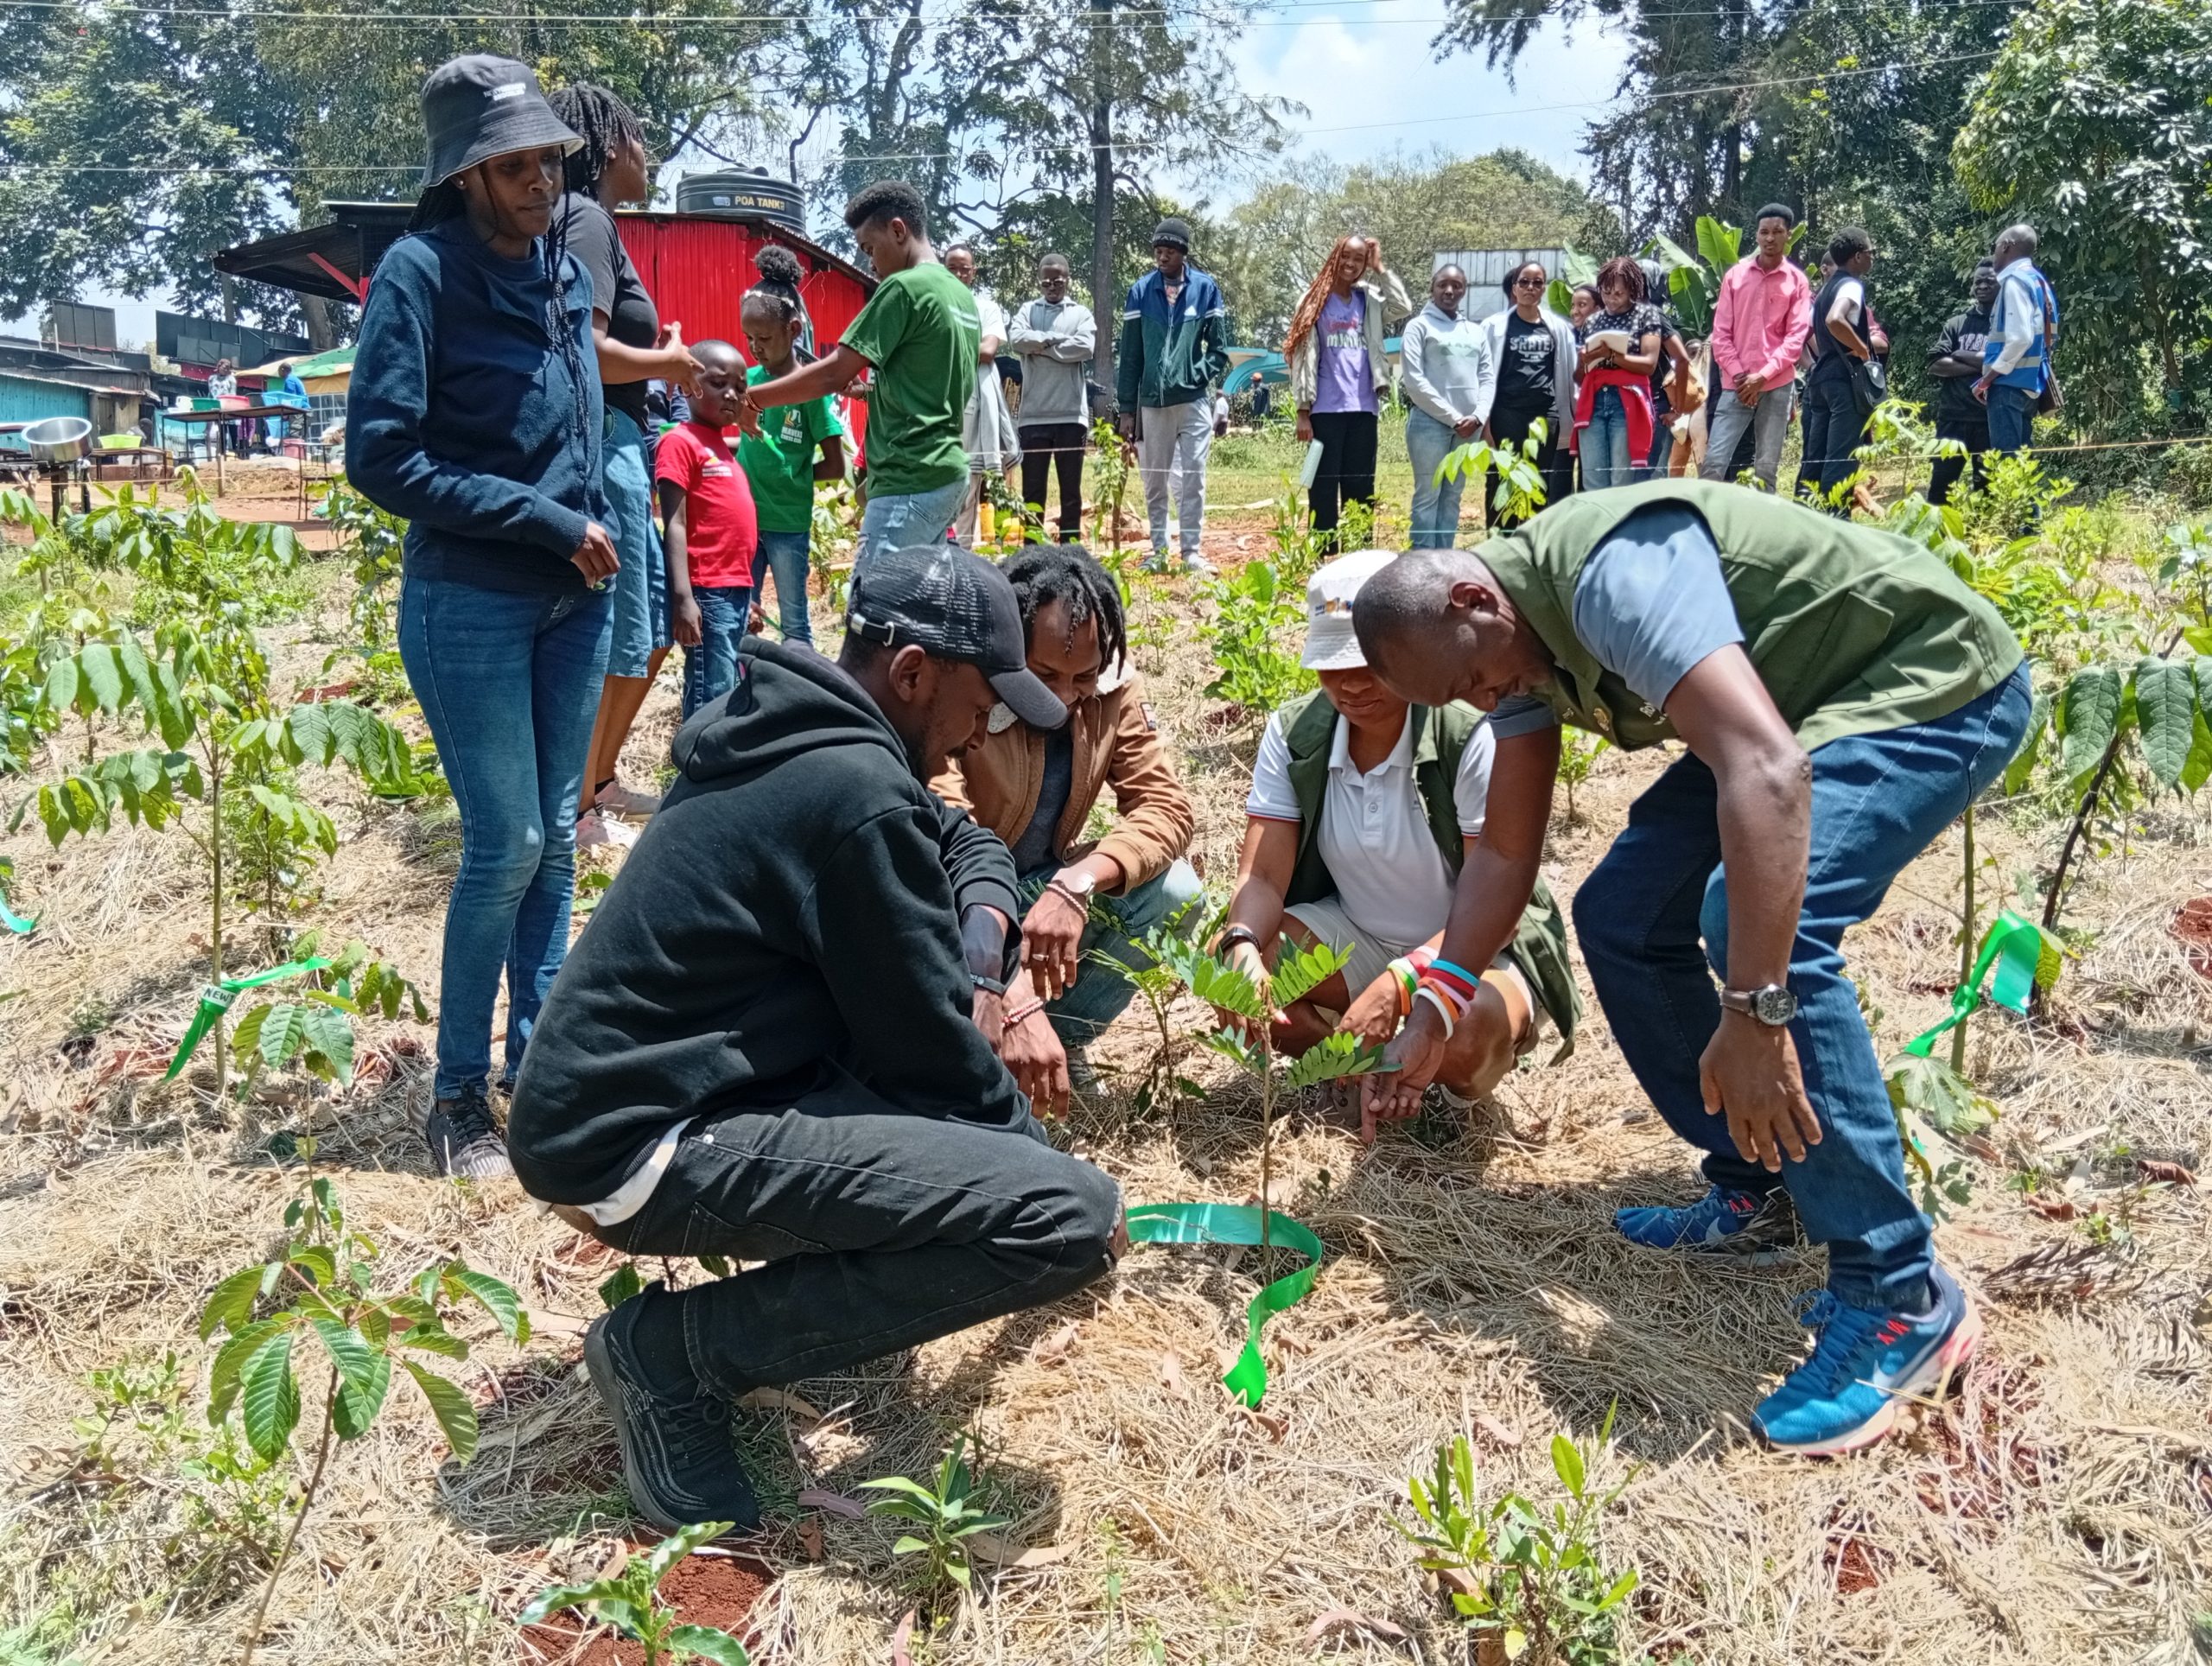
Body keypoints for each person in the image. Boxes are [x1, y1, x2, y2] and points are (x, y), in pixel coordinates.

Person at [1349, 479, 2031, 1454]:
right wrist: (1441, 994)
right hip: (1800, 710)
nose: (1487, 701)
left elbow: (1767, 771)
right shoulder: (1509, 655)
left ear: (1472, 601)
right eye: (1462, 701)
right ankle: (1767, 1184)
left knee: (1760, 930)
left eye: (1476, 683)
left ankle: (1898, 1292)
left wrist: (1754, 1018)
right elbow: (1505, 851)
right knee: (1621, 913)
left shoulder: (1613, 578)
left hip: (1927, 685)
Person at [506, 544, 1121, 1534]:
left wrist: (979, 946)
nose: (983, 732)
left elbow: (966, 841)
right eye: (981, 700)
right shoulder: (853, 789)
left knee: (993, 1174)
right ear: (914, 672)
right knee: (1065, 1219)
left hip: (635, 1102)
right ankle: (673, 1355)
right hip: (638, 1143)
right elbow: (931, 1056)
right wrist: (1028, 1167)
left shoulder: (812, 736)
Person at [346, 54, 614, 1179]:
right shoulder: (418, 275)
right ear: (464, 175)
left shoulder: (562, 258)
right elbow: (379, 454)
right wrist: (542, 520)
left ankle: (538, 1062)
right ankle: (454, 1100)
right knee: (505, 841)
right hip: (472, 601)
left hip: (577, 597)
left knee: (557, 842)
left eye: (545, 157)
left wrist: (599, 525)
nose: (537, 179)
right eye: (510, 165)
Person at [1219, 549, 1578, 1139]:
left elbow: (1502, 905)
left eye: (1368, 664)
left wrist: (1406, 980)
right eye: (1333, 664)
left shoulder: (1469, 733)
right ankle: (1358, 1069)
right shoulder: (1295, 732)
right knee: (1245, 969)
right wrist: (1240, 945)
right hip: (1358, 932)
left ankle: (1419, 1068)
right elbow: (1262, 878)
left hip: (1479, 948)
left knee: (1464, 1030)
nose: (1352, 683)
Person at [933, 544, 1200, 1095]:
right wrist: (1004, 971)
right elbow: (946, 834)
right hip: (963, 904)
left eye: (1082, 677)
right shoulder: (964, 688)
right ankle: (986, 1037)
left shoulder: (1112, 691)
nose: (1062, 695)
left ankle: (1060, 1036)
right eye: (1044, 673)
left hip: (1042, 885)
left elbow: (1165, 806)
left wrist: (1077, 883)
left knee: (1175, 892)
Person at [550, 85, 704, 849]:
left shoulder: (593, 224)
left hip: (622, 442)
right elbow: (589, 352)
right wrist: (671, 363)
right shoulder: (586, 221)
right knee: (621, 627)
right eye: (640, 141)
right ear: (610, 149)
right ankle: (576, 801)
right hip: (606, 443)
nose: (648, 156)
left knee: (644, 627)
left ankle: (598, 777)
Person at [738, 181, 979, 567]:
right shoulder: (959, 295)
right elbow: (935, 383)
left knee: (872, 610)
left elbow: (832, 374)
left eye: (870, 248)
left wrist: (754, 398)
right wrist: (871, 392)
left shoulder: (905, 288)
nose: (870, 262)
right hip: (947, 472)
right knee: (916, 609)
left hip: (909, 479)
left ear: (898, 231)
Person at [737, 245, 845, 648]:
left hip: (788, 526)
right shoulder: (745, 380)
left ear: (794, 329)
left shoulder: (812, 393)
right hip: (746, 521)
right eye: (748, 338)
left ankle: (803, 700)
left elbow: (836, 466)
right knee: (739, 616)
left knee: (795, 622)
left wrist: (794, 474)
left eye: (764, 337)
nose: (755, 347)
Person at [1116, 217, 1230, 576]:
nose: (1161, 258)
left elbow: (1220, 349)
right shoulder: (1140, 291)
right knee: (1154, 479)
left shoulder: (1206, 289)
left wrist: (1194, 374)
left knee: (1194, 475)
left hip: (1194, 401)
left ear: (1183, 254)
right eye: (1158, 252)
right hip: (1152, 402)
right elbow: (1131, 356)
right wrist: (1126, 409)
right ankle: (1159, 551)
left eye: (1169, 252)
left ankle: (1191, 551)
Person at [1287, 235, 1414, 552]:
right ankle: (1322, 552)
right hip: (1325, 410)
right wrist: (1303, 410)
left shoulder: (1368, 299)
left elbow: (1402, 307)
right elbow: (1302, 356)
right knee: (1323, 485)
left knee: (1360, 484)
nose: (1351, 264)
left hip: (1363, 408)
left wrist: (1380, 267)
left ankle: (1358, 550)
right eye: (1346, 256)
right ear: (1334, 257)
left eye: (1359, 259)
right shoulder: (1313, 299)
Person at [658, 340, 759, 716]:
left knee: (727, 683)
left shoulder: (722, 445)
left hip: (733, 588)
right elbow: (675, 523)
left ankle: (716, 763)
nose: (732, 394)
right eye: (719, 383)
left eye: (740, 386)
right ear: (690, 386)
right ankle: (699, 767)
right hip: (707, 592)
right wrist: (683, 597)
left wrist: (747, 593)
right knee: (710, 693)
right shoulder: (680, 442)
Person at [1701, 204, 1813, 490]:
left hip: (1776, 386)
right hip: (1736, 384)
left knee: (1766, 469)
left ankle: (1763, 533)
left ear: (1788, 235)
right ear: (1757, 235)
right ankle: (1705, 525)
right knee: (1713, 463)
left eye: (1777, 232)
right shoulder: (1735, 277)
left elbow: (1795, 338)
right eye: (1764, 232)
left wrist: (1762, 376)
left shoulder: (1798, 282)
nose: (1770, 238)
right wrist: (1741, 377)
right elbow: (1721, 333)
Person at [1399, 264, 1493, 548]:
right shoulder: (1419, 327)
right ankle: (1422, 564)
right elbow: (1414, 381)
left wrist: (1477, 417)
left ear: (1465, 290)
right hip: (1430, 426)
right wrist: (1454, 418)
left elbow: (1487, 378)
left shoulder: (1475, 332)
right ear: (1432, 288)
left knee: (1453, 496)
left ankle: (1444, 560)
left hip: (1469, 429)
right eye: (1443, 285)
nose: (1449, 291)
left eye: (1457, 285)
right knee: (1428, 496)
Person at [1477, 262, 1576, 527]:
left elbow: (1570, 374)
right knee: (1501, 480)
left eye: (1537, 282)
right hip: (1505, 414)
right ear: (1514, 288)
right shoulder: (1493, 326)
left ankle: (1533, 548)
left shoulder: (1558, 328)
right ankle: (1500, 547)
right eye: (1524, 282)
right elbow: (1482, 377)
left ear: (1543, 288)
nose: (1530, 288)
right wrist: (1485, 425)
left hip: (1546, 417)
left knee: (1539, 482)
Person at [1007, 252, 1096, 541]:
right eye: (1046, 282)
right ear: (1039, 281)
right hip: (1033, 416)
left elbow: (1084, 348)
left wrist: (1041, 346)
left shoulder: (1080, 313)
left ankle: (1071, 551)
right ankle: (1032, 552)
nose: (1052, 287)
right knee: (1032, 492)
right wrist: (1054, 341)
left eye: (1057, 281)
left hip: (1071, 415)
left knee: (1071, 491)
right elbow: (1016, 339)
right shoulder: (1027, 310)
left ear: (1068, 279)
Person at [1798, 227, 1882, 514]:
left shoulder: (1822, 293)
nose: (1873, 258)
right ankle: (1837, 524)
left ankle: (1808, 518)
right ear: (1858, 256)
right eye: (1871, 252)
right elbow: (1836, 320)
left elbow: (1805, 332)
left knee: (1815, 456)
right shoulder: (1851, 285)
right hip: (1845, 381)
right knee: (1841, 459)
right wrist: (1861, 349)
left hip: (1821, 379)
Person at [944, 243, 1019, 543]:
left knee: (969, 486)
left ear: (974, 272)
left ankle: (963, 557)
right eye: (953, 268)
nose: (960, 274)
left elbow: (988, 351)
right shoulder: (933, 303)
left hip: (973, 400)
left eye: (965, 269)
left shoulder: (986, 307)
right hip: (938, 400)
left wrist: (943, 351)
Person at [1573, 258, 1664, 491]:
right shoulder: (1593, 321)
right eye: (1605, 293)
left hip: (1626, 402)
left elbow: (1649, 364)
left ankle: (1618, 525)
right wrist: (1584, 362)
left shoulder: (1647, 315)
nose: (1611, 300)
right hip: (1593, 401)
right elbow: (1579, 377)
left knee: (1620, 479)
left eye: (1618, 294)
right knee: (1593, 478)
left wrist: (1612, 356)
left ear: (1632, 290)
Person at [1976, 223, 2058, 464]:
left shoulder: (2014, 281)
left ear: (2006, 246)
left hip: (2007, 387)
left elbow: (2020, 338)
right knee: (2021, 467)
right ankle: (2031, 505)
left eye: (1995, 247)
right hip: (2030, 386)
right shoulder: (2038, 282)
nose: (1994, 255)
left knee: (2007, 468)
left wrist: (1987, 380)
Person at [1926, 262, 1999, 506]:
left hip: (1988, 419)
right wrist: (1985, 365)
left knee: (1987, 488)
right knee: (1940, 488)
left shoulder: (2005, 324)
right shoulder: (1956, 323)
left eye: (1989, 280)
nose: (1982, 285)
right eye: (1978, 281)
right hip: (1953, 419)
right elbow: (1936, 364)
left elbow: (2007, 361)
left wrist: (1960, 354)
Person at [1638, 260, 1694, 477]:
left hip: (1655, 406)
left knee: (1652, 475)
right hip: (1639, 405)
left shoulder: (1654, 315)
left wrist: (1678, 409)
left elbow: (1682, 360)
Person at [207, 357, 242, 458]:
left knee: (233, 432)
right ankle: (222, 454)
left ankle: (235, 454)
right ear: (219, 366)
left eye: (228, 368)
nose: (226, 370)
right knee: (222, 432)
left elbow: (232, 394)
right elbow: (210, 393)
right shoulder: (212, 378)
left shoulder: (231, 379)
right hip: (217, 408)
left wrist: (228, 406)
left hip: (229, 408)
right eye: (224, 367)